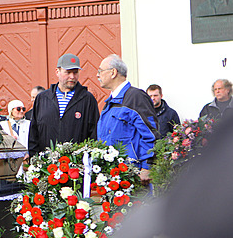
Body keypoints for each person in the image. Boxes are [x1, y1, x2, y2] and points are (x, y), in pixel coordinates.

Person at [97, 54, 158, 184]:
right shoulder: (111, 102)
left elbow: (150, 133)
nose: (98, 75)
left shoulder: (135, 97)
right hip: (113, 174)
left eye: (100, 71)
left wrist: (147, 166)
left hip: (133, 174)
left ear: (113, 72)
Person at [28, 53, 99, 156]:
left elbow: (94, 133)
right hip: (47, 165)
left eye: (75, 73)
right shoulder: (42, 98)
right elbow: (34, 133)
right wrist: (34, 160)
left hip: (76, 166)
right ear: (57, 71)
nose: (72, 77)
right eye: (68, 72)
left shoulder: (87, 99)